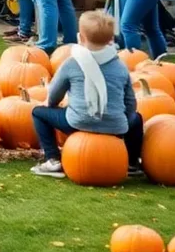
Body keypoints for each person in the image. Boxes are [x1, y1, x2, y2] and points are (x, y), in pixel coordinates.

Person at [30, 10, 143, 178]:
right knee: (138, 118)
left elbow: (55, 93)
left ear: (80, 38)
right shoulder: (120, 66)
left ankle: (52, 159)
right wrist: (122, 118)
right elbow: (130, 102)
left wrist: (50, 104)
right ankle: (131, 163)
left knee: (38, 113)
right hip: (116, 127)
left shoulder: (72, 63)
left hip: (77, 122)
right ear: (111, 39)